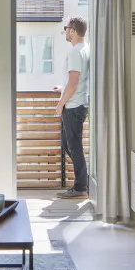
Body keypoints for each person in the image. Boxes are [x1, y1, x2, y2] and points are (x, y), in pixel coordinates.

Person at [53, 16, 90, 199]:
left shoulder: (75, 52)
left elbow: (74, 82)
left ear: (73, 31)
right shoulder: (85, 50)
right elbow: (78, 81)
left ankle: (81, 186)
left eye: (66, 28)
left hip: (73, 107)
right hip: (79, 103)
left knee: (73, 147)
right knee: (70, 145)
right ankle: (84, 182)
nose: (65, 32)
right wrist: (63, 89)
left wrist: (60, 104)